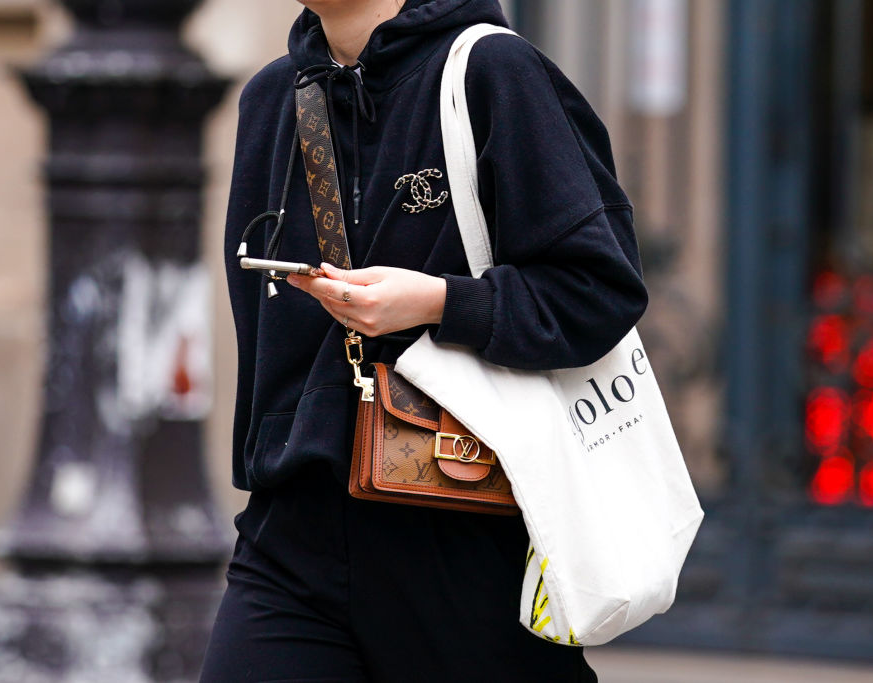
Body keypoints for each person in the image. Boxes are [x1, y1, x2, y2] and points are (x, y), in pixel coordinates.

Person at [199, 0, 649, 680]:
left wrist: (439, 302)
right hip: (292, 536)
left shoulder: (493, 73)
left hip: (461, 526)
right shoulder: (271, 98)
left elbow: (599, 290)